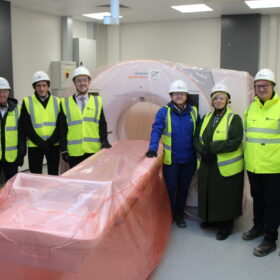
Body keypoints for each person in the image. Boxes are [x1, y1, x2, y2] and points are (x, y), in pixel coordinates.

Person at [194, 84, 244, 240]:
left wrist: (211, 149)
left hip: (225, 165)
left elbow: (234, 141)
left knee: (225, 196)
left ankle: (225, 227)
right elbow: (196, 137)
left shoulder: (234, 118)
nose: (218, 101)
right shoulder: (207, 117)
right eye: (215, 98)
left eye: (222, 98)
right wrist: (202, 150)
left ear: (227, 100)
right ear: (212, 101)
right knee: (209, 192)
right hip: (207, 163)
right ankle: (211, 219)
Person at [146, 80, 198, 228]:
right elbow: (156, 130)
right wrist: (152, 148)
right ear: (171, 95)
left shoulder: (193, 112)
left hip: (189, 159)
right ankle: (168, 214)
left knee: (183, 189)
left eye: (182, 93)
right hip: (172, 160)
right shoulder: (164, 112)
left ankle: (179, 215)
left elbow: (199, 133)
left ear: (186, 96)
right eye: (176, 93)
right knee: (169, 189)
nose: (179, 96)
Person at [242, 68, 280, 257]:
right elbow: (249, 134)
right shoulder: (251, 108)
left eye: (265, 85)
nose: (261, 89)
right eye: (258, 86)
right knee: (258, 199)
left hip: (274, 167)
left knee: (273, 203)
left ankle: (271, 238)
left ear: (273, 86)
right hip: (254, 165)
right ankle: (258, 227)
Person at [60, 66, 111, 168]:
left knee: (92, 180)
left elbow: (102, 124)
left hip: (93, 150)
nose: (82, 83)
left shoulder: (97, 101)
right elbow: (62, 128)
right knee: (76, 182)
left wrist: (104, 140)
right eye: (79, 80)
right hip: (74, 152)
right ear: (74, 83)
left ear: (89, 82)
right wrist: (64, 149)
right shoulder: (65, 103)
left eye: (85, 80)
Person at [21, 71, 61, 175]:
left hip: (53, 144)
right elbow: (26, 126)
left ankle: (52, 192)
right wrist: (40, 143)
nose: (42, 88)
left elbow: (60, 125)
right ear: (34, 87)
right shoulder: (27, 101)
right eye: (38, 86)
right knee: (35, 175)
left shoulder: (58, 101)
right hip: (35, 145)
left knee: (53, 174)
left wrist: (50, 142)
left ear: (48, 86)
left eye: (44, 85)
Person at [0, 77, 25, 181]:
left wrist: (21, 154)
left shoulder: (17, 111)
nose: (2, 94)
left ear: (8, 93)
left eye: (4, 91)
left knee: (11, 187)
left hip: (12, 158)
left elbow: (22, 135)